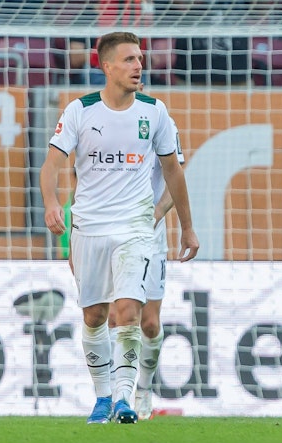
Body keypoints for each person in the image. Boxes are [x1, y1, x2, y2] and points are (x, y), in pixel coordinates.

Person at [40, 31, 199, 425]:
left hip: (137, 227)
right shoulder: (80, 111)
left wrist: (186, 227)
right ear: (106, 66)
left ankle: (127, 398)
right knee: (95, 316)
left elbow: (174, 172)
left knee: (130, 313)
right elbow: (50, 166)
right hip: (89, 227)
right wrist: (50, 204)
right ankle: (102, 397)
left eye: (140, 58)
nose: (138, 65)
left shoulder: (154, 111)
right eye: (129, 59)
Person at [107, 97, 184, 421]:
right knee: (116, 317)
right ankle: (116, 396)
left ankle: (144, 390)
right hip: (110, 233)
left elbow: (175, 178)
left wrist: (155, 213)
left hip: (150, 237)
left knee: (149, 323)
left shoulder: (159, 121)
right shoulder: (101, 123)